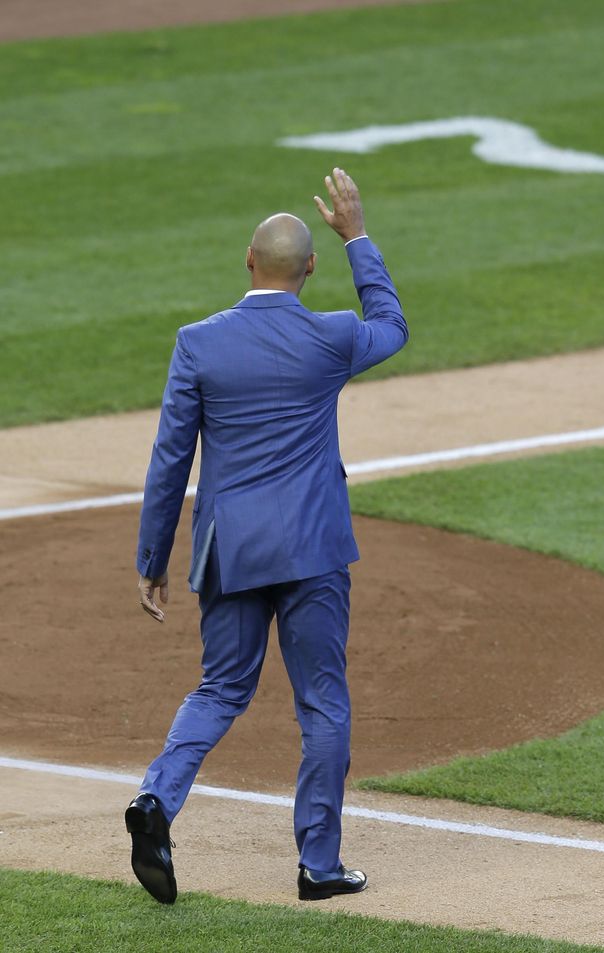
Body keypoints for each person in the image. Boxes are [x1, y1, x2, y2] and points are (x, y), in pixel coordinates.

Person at [125, 169, 408, 904]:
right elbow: (393, 322)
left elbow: (169, 460)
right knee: (323, 703)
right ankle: (319, 865)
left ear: (247, 262)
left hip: (233, 550)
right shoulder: (332, 337)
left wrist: (153, 558)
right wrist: (360, 237)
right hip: (313, 549)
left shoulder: (199, 344)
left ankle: (156, 799)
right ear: (309, 267)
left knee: (221, 688)